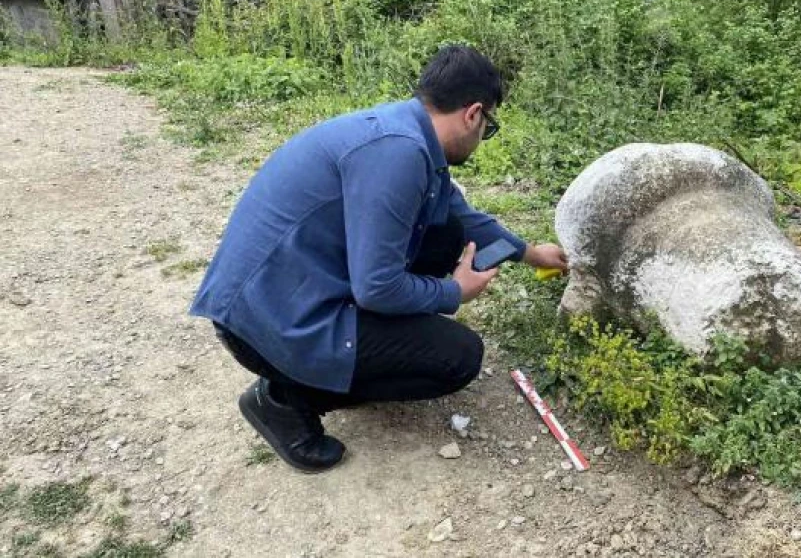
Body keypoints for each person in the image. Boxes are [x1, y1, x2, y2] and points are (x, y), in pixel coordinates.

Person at [189, 45, 568, 472]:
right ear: (473, 113)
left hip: (278, 292)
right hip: (266, 324)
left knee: (447, 234)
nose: (484, 135)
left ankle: (343, 360)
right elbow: (377, 288)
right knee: (458, 357)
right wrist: (453, 292)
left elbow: (462, 216)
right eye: (489, 125)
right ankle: (285, 398)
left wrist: (532, 254)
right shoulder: (399, 155)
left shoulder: (405, 131)